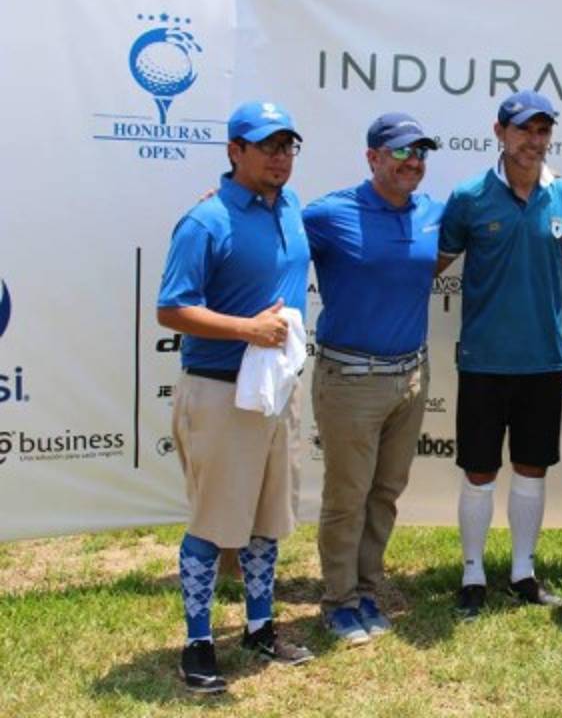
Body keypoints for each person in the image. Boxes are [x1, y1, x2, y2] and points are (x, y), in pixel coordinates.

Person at [158, 100, 313, 694]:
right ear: (234, 151)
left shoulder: (292, 206)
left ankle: (258, 626)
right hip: (221, 391)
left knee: (266, 521)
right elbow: (171, 308)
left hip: (277, 390)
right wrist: (247, 329)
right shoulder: (206, 221)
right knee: (211, 524)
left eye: (287, 146)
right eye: (266, 145)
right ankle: (198, 642)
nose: (279, 157)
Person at [436, 89, 562, 619]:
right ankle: (472, 573)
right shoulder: (469, 197)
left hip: (543, 362)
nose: (534, 140)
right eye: (524, 130)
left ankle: (523, 571)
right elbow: (431, 260)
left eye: (543, 130)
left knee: (532, 469)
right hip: (483, 360)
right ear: (499, 133)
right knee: (479, 471)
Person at [303, 113, 443, 644]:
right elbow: (271, 228)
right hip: (350, 381)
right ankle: (337, 600)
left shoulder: (433, 213)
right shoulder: (330, 213)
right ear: (373, 158)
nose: (414, 163)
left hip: (411, 377)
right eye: (402, 152)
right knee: (348, 495)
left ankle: (365, 588)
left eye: (421, 153)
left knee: (385, 492)